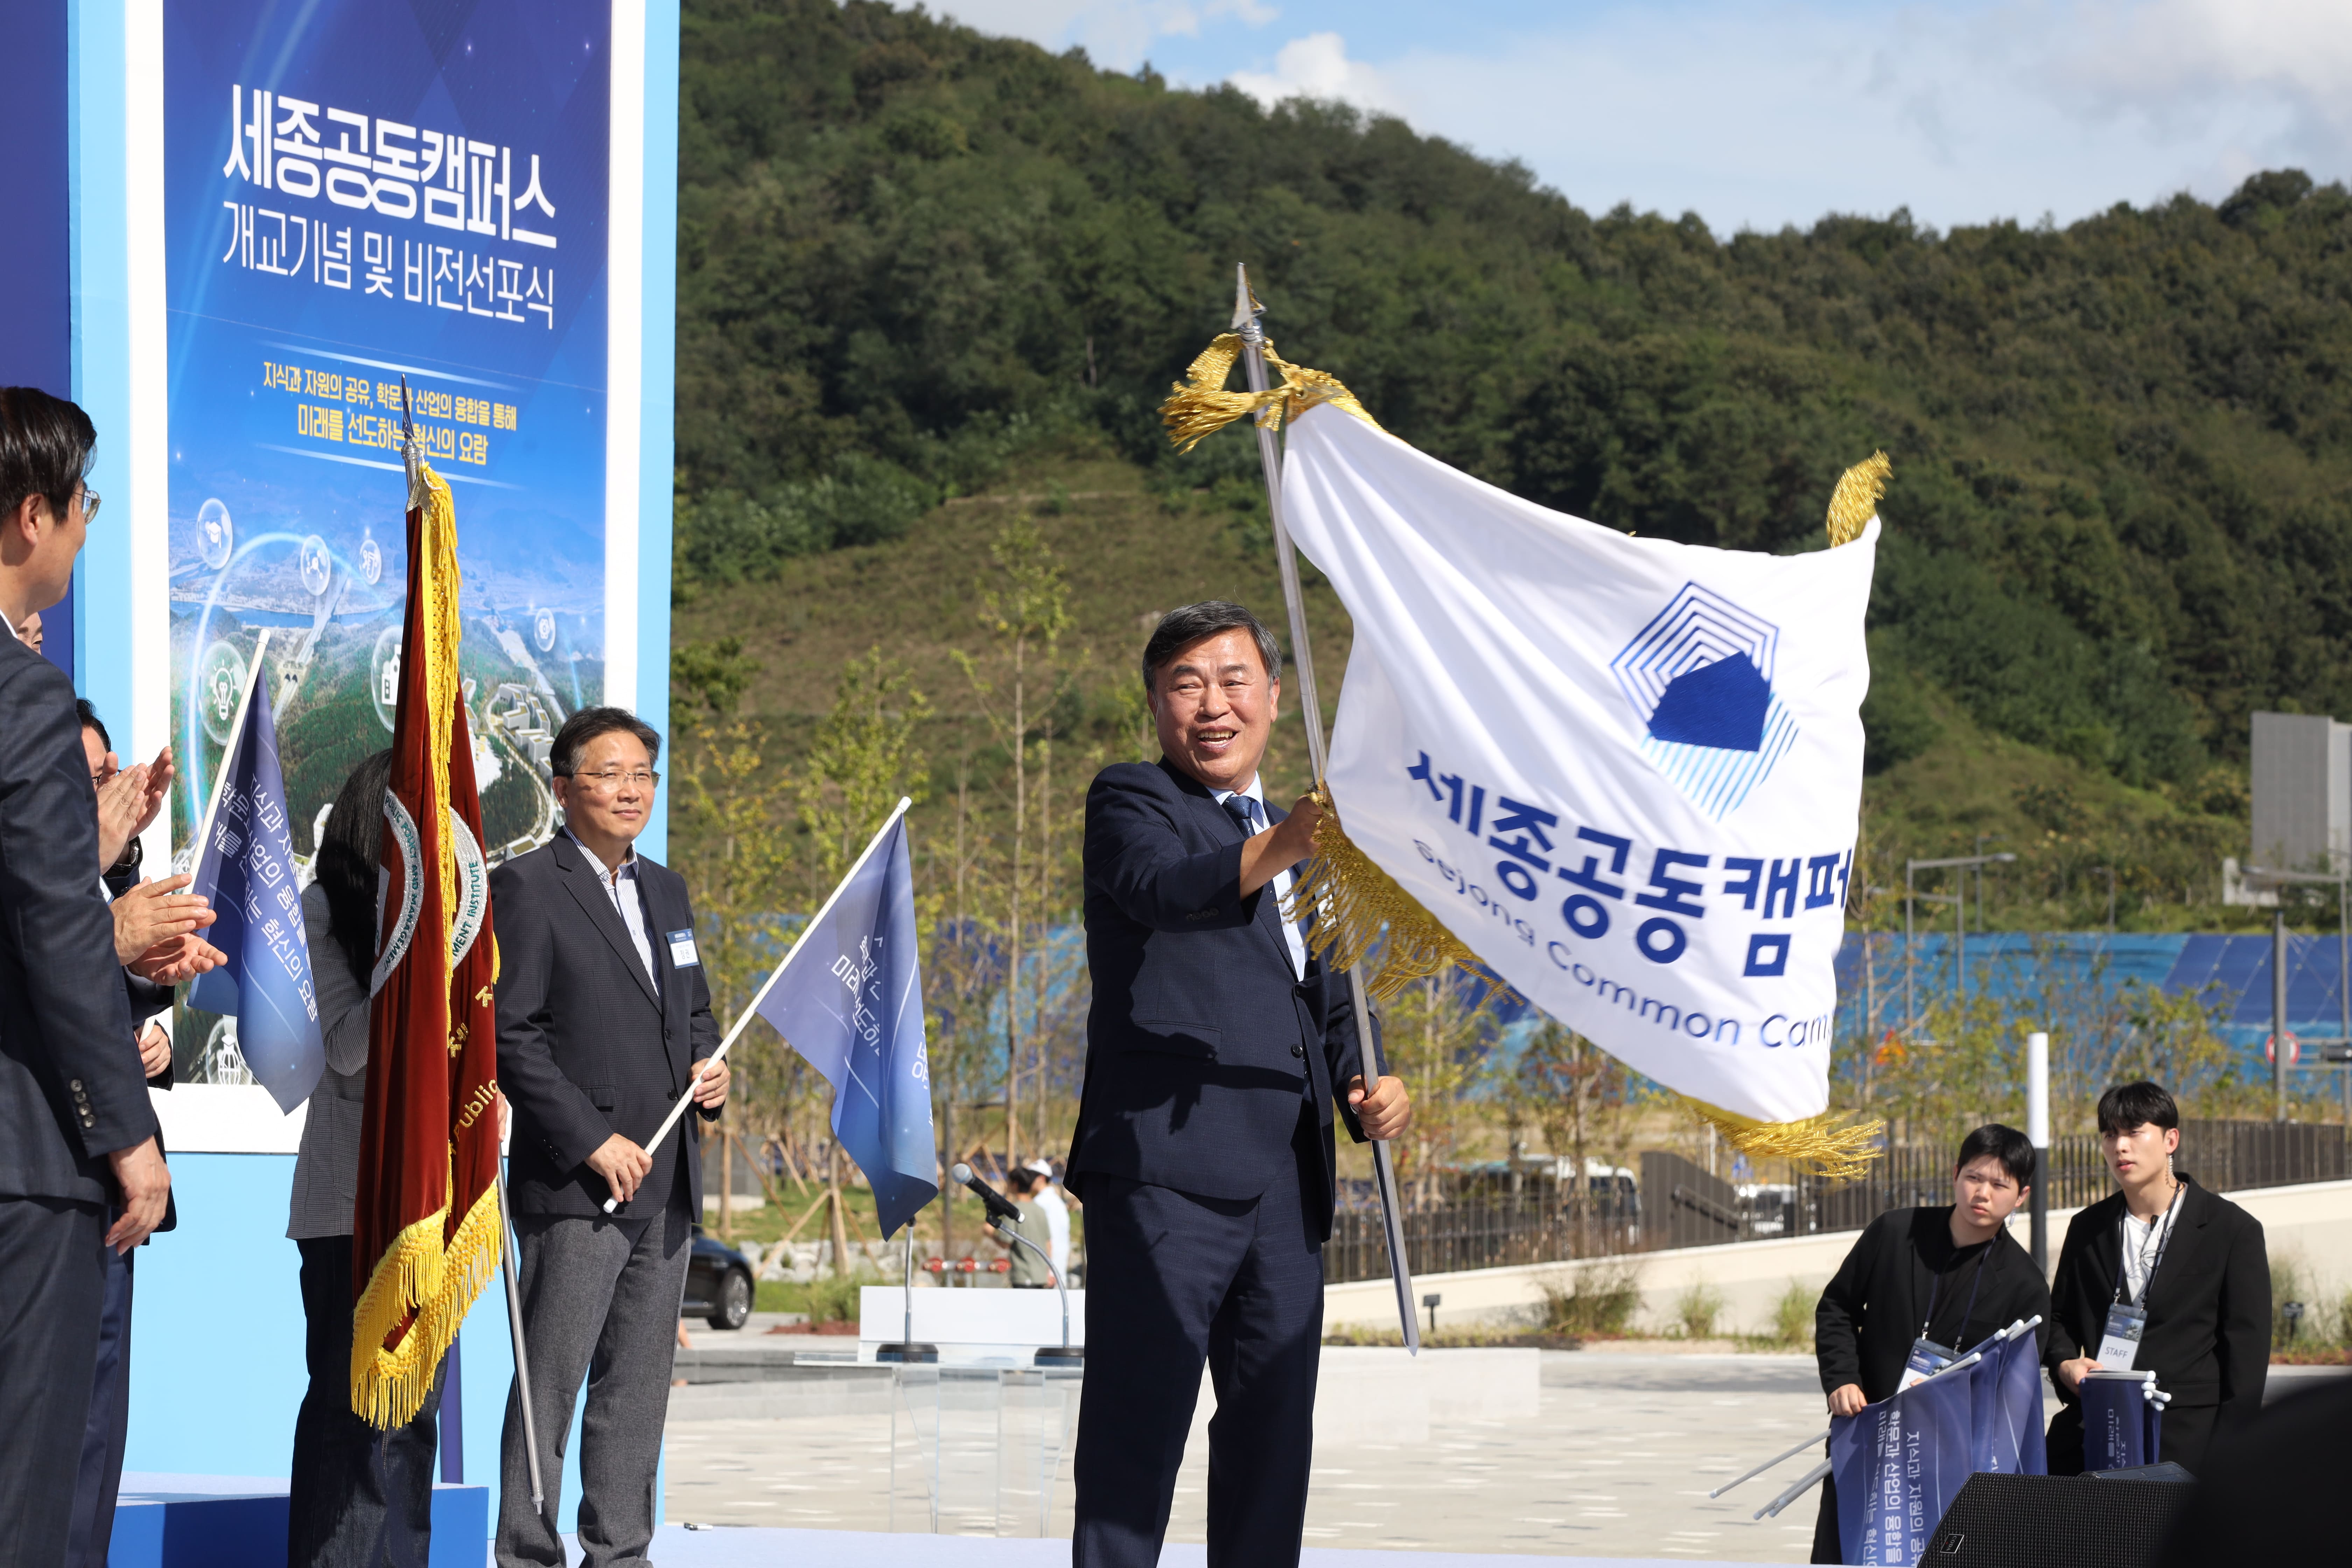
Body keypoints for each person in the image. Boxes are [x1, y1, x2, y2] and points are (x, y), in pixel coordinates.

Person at [1066, 600, 1410, 1568]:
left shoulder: (1304, 840)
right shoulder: (1134, 800)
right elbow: (1166, 894)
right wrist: (1290, 843)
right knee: (1139, 1431)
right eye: (1186, 685)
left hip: (1286, 1186)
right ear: (1156, 705)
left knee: (1272, 1438)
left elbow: (1333, 1003)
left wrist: (1370, 1084)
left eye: (1231, 681)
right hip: (1167, 1171)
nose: (1212, 705)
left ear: (1273, 694)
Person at [0, 386, 173, 1568]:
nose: (82, 530)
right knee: (27, 1492)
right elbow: (57, 933)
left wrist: (93, 851)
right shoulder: (24, 697)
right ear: (32, 517)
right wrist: (129, 1136)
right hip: (22, 1162)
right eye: (83, 507)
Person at [494, 708, 728, 1568]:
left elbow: (693, 1011)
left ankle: (620, 1551)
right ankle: (526, 1552)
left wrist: (711, 1068)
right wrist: (593, 1141)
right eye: (609, 774)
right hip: (579, 1188)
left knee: (634, 1390)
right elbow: (510, 1035)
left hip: (666, 1183)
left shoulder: (667, 889)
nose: (631, 791)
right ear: (563, 789)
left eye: (643, 775)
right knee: (550, 1383)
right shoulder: (529, 887)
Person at [282, 750, 448, 1566]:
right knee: (352, 1414)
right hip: (348, 1208)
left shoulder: (459, 916)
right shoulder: (323, 910)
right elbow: (348, 1050)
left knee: (416, 1418)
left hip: (430, 1207)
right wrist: (410, 950)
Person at [64, 699, 214, 1568]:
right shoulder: (32, 885)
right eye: (92, 779)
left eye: (109, 773)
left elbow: (116, 984)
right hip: (48, 1175)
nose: (114, 791)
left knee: (95, 1424)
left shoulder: (108, 876)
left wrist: (152, 1044)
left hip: (112, 1192)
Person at [1808, 1124, 2051, 1563]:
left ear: (2021, 1196)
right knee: (1842, 1554)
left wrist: (1949, 1401)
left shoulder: (2025, 1285)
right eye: (1975, 1177)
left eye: (2000, 1184)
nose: (1983, 1193)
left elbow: (2014, 1394)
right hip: (1866, 1434)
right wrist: (1843, 1378)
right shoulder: (1894, 1232)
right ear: (1955, 1173)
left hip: (1947, 1464)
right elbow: (1836, 1308)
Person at [2045, 1080, 2268, 1476]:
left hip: (2189, 1440)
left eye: (2134, 1131)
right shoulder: (2087, 1227)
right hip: (2099, 1432)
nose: (2120, 1146)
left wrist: (2230, 1457)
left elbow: (2247, 1358)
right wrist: (2066, 1365)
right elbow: (2059, 1319)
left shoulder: (2230, 1229)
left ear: (2171, 1140)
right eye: (2110, 1134)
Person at [991, 1166, 1053, 1287]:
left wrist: (990, 1234)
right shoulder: (1040, 1210)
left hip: (1023, 1276)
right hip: (1041, 1277)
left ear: (1015, 1184)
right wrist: (1048, 1272)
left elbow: (1006, 1243)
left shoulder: (1013, 1211)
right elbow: (1048, 1244)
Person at [1025, 1156, 1071, 1280]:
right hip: (1055, 1271)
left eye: (1030, 1177)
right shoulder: (1056, 1202)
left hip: (1048, 1274)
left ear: (1041, 1178)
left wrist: (1049, 1271)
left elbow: (1050, 1239)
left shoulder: (1042, 1203)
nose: (1027, 1180)